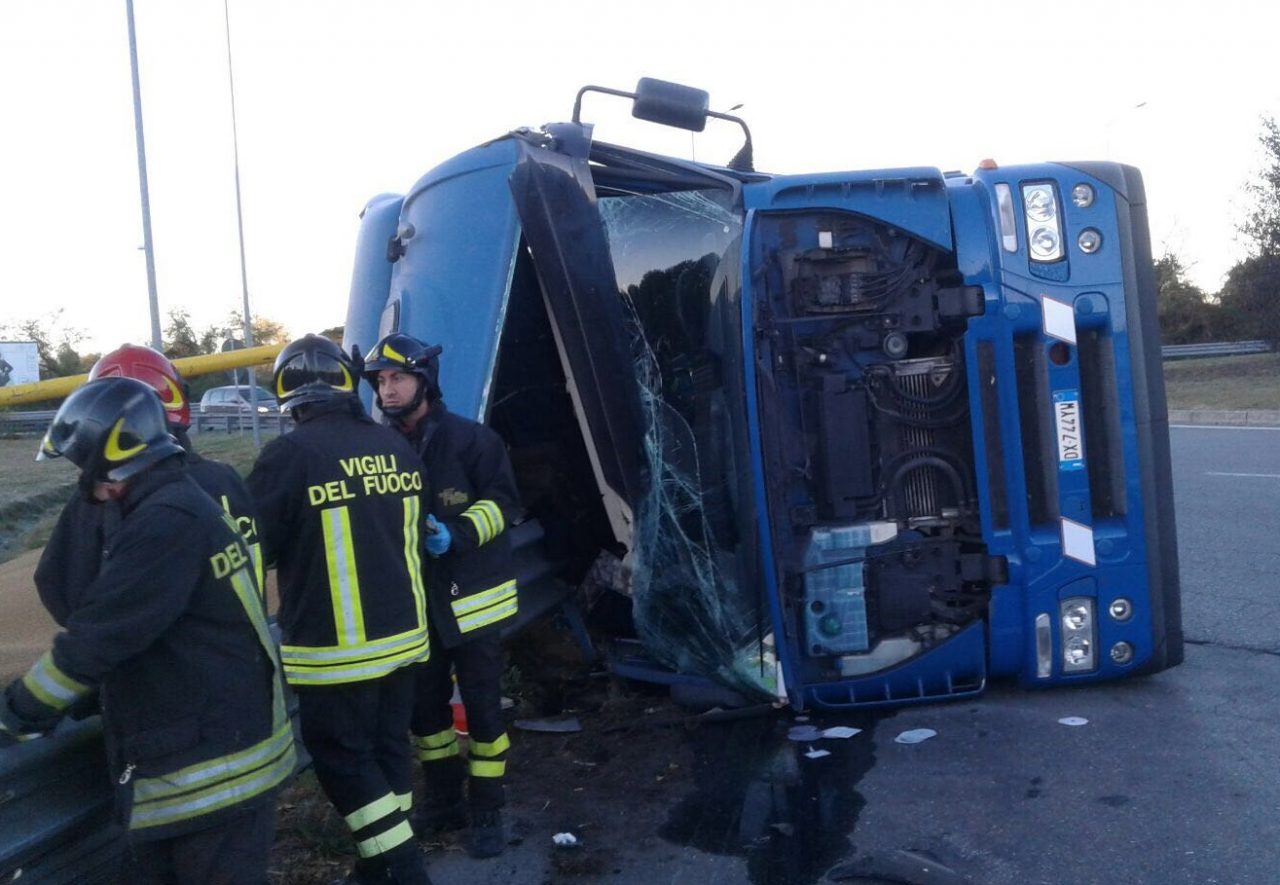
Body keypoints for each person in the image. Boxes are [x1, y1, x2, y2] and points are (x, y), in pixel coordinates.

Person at [0, 377, 295, 885]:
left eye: (88, 469)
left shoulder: (165, 521)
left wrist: (16, 714)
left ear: (116, 460)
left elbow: (98, 639)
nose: (89, 487)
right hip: (222, 745)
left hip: (212, 767)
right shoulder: (184, 500)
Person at [248, 334, 433, 885]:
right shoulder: (395, 444)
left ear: (289, 396)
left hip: (336, 651)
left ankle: (404, 869)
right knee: (389, 750)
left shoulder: (288, 456)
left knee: (342, 759)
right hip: (405, 636)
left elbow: (257, 545)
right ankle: (378, 868)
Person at [362, 332, 521, 859]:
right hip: (416, 608)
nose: (387, 390)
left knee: (483, 713)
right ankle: (444, 798)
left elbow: (503, 505)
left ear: (424, 381)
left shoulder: (474, 441)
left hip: (474, 601)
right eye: (381, 381)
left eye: (398, 378)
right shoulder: (377, 449)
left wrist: (458, 533)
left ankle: (488, 808)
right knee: (426, 713)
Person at [35, 344, 263, 626]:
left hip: (158, 651)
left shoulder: (106, 496)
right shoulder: (226, 478)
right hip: (245, 643)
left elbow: (59, 586)